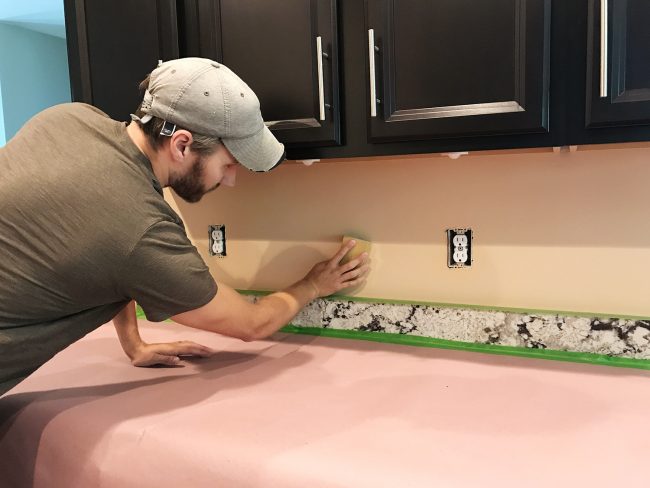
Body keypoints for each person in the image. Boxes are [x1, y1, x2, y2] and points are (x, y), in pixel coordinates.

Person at [0, 57, 370, 396]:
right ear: (181, 145)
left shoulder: (68, 119)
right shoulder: (143, 231)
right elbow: (252, 324)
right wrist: (313, 284)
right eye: (228, 164)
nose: (230, 181)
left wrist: (134, 343)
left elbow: (106, 261)